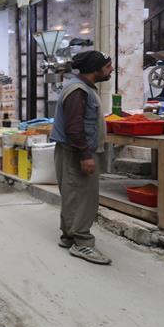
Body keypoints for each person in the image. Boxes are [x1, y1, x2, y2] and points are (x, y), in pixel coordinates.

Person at [51, 50, 114, 265]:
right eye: (107, 67)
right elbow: (74, 128)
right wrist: (85, 155)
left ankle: (69, 236)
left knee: (73, 194)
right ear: (95, 69)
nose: (111, 70)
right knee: (83, 197)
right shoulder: (78, 91)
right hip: (76, 152)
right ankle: (83, 244)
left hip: (74, 150)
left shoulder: (81, 88)